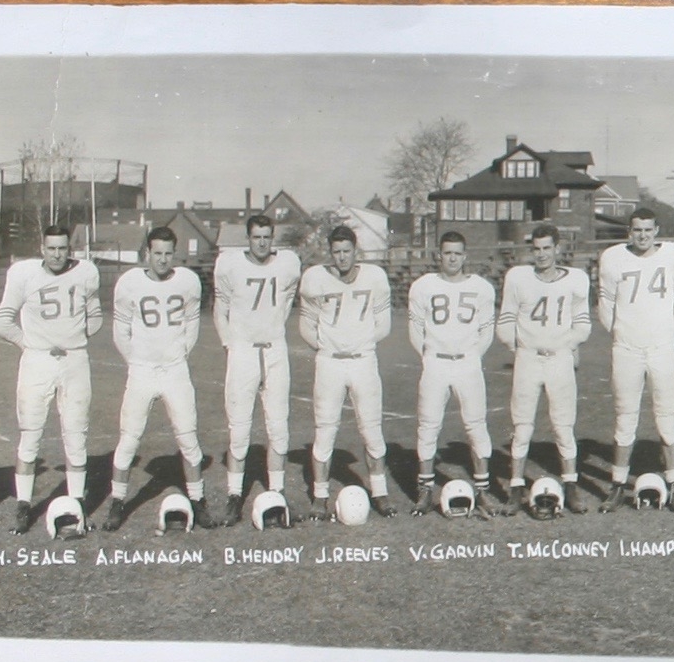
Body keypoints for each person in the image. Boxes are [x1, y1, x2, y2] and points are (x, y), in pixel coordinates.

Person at [0, 224, 103, 533]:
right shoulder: (24, 275)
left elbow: (95, 316)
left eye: (63, 249)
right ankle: (23, 505)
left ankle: (78, 504)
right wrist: (30, 343)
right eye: (51, 248)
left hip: (74, 361)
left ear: (70, 250)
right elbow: (1, 321)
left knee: (76, 435)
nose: (57, 254)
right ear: (42, 248)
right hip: (37, 362)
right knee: (30, 435)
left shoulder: (85, 273)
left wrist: (74, 339)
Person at [101, 228, 211, 530]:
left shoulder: (187, 281)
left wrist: (175, 356)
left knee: (188, 437)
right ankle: (117, 502)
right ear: (146, 253)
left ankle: (198, 501)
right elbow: (120, 332)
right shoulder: (130, 283)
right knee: (129, 439)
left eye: (167, 254)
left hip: (175, 370)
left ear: (173, 254)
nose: (162, 260)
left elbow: (192, 327)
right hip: (142, 371)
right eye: (157, 253)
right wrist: (138, 361)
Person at [301, 223, 398, 516]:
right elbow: (306, 324)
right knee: (325, 429)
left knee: (371, 430)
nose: (342, 257)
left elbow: (384, 324)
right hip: (330, 362)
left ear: (356, 250)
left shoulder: (375, 277)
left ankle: (380, 492)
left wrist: (360, 342)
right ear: (330, 253)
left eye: (347, 251)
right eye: (336, 252)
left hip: (363, 361)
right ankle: (320, 495)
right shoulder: (316, 278)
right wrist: (328, 346)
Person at [598, 209, 674, 505]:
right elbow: (605, 306)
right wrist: (622, 334)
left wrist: (666, 334)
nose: (642, 235)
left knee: (667, 418)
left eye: (648, 230)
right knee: (625, 418)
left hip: (661, 349)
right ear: (629, 230)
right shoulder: (613, 258)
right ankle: (617, 484)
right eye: (637, 230)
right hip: (627, 349)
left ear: (657, 230)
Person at [212, 214, 302, 525]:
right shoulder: (231, 264)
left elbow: (287, 301)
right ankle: (234, 494)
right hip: (244, 352)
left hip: (275, 349)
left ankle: (277, 492)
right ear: (248, 238)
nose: (262, 242)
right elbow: (220, 308)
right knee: (239, 427)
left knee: (278, 426)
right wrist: (230, 345)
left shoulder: (287, 263)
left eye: (266, 236)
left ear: (272, 237)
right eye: (256, 237)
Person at [502, 225, 592, 507]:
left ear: (557, 248)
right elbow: (505, 319)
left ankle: (571, 485)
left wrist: (569, 344)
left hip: (558, 359)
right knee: (522, 425)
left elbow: (583, 322)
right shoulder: (519, 278)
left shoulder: (575, 279)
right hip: (529, 358)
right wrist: (516, 346)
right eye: (537, 249)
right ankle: (516, 487)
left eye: (547, 248)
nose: (541, 255)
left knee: (563, 425)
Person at [408, 231, 497, 512]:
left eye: (457, 253)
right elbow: (415, 329)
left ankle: (483, 490)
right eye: (447, 253)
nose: (453, 258)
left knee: (476, 425)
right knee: (428, 426)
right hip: (436, 362)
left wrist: (471, 356)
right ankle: (425, 490)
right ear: (439, 254)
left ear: (465, 255)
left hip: (467, 363)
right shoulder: (424, 286)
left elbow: (486, 331)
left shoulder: (481, 288)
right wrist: (429, 357)